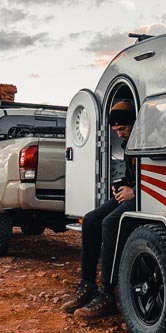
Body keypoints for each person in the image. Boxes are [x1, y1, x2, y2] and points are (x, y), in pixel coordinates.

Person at [66, 96, 136, 314]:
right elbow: (133, 176)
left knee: (109, 223)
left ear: (134, 123)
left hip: (146, 198)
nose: (119, 133)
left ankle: (107, 291)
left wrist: (135, 191)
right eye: (115, 130)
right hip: (132, 195)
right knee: (90, 220)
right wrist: (123, 186)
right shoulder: (129, 146)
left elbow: (161, 177)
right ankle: (87, 284)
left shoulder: (146, 142)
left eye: (122, 128)